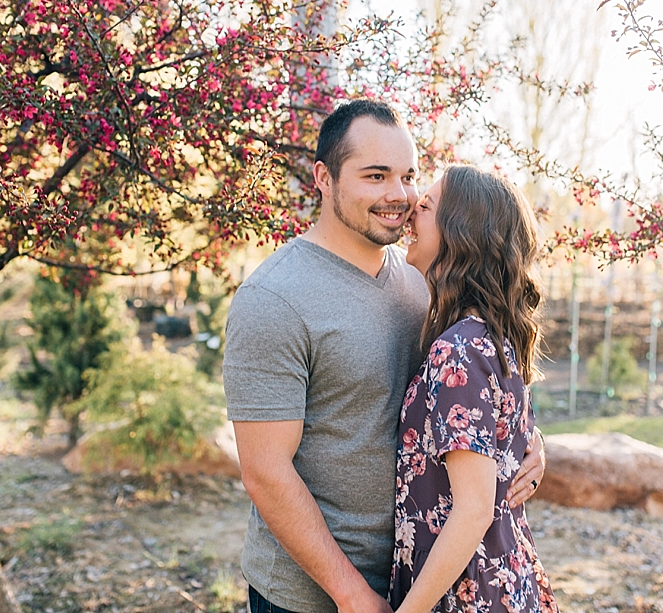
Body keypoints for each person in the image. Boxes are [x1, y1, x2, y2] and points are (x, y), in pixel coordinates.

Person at [222, 100, 547, 613]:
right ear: (324, 178)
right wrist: (351, 595)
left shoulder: (422, 282)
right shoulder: (274, 299)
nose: (399, 196)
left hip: (417, 579)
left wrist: (526, 439)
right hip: (312, 596)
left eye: (408, 176)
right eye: (376, 176)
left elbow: (476, 383)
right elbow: (265, 472)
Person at [389, 165, 558, 613]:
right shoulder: (491, 338)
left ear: (460, 234)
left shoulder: (459, 350)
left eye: (424, 207)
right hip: (502, 580)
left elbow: (473, 512)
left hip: (466, 593)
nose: (410, 213)